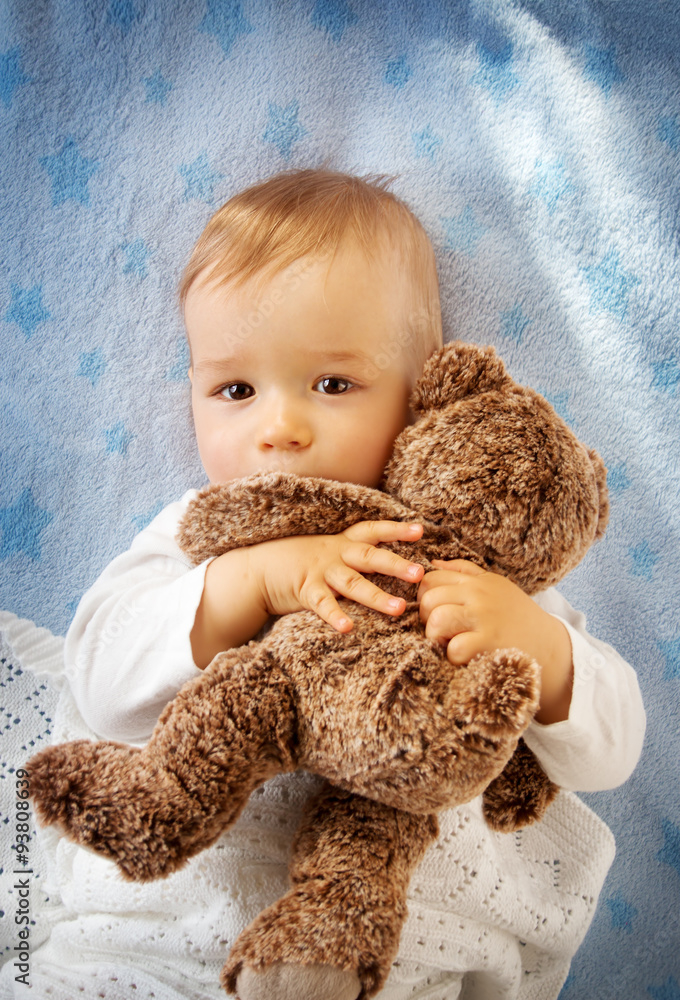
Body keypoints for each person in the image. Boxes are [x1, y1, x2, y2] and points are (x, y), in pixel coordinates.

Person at [18, 169, 645, 1000]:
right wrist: (249, 582)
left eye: (333, 384)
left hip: (398, 948)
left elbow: (616, 748)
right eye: (234, 390)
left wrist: (541, 648)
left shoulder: (462, 553)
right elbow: (100, 680)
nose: (279, 428)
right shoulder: (201, 533)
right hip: (159, 937)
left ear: (422, 391)